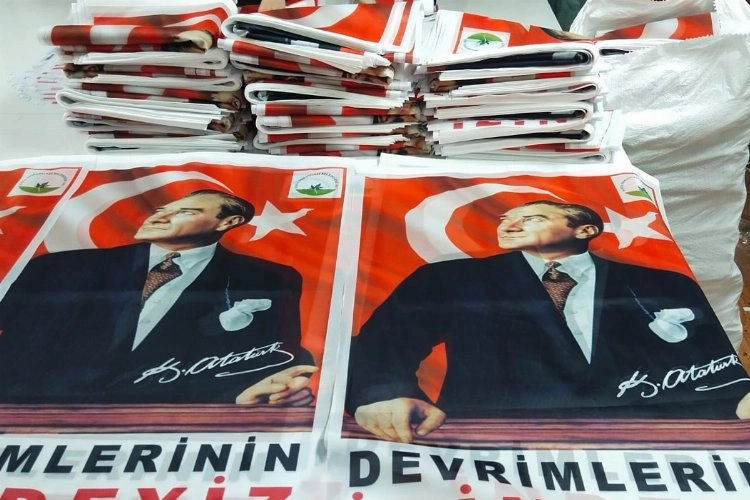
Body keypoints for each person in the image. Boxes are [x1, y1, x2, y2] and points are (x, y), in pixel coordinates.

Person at [345, 200, 750, 442]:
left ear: (585, 229)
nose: (510, 224)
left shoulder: (664, 285)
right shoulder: (450, 278)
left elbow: (710, 366)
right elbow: (385, 342)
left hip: (649, 443)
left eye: (532, 218)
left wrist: (738, 399)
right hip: (489, 443)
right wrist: (383, 396)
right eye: (505, 220)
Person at [0, 189, 316, 405]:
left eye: (185, 212)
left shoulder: (267, 278)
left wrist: (265, 391)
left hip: (172, 421)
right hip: (27, 412)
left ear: (229, 222)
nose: (160, 217)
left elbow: (273, 353)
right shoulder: (58, 269)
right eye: (161, 209)